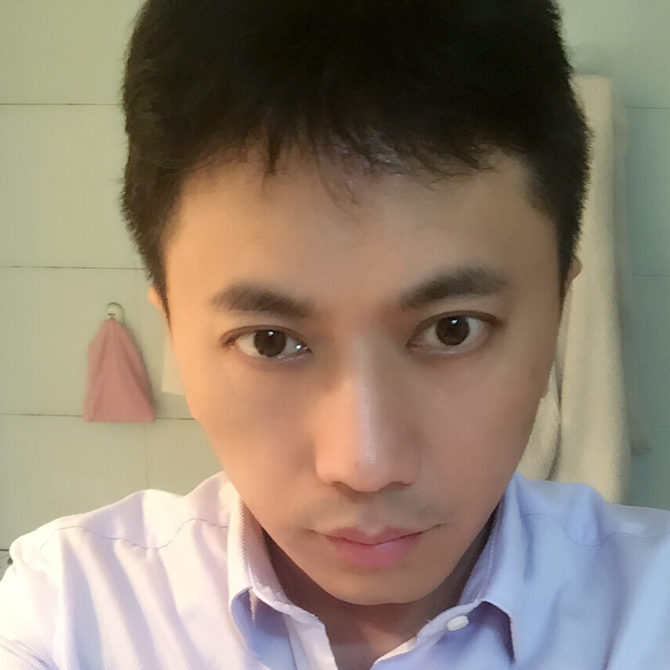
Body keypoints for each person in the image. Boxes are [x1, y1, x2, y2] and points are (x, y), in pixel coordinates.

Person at [2, 0, 670, 667]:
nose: (365, 467)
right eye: (269, 341)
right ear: (174, 333)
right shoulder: (68, 615)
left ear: (558, 313)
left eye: (452, 330)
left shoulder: (650, 612)